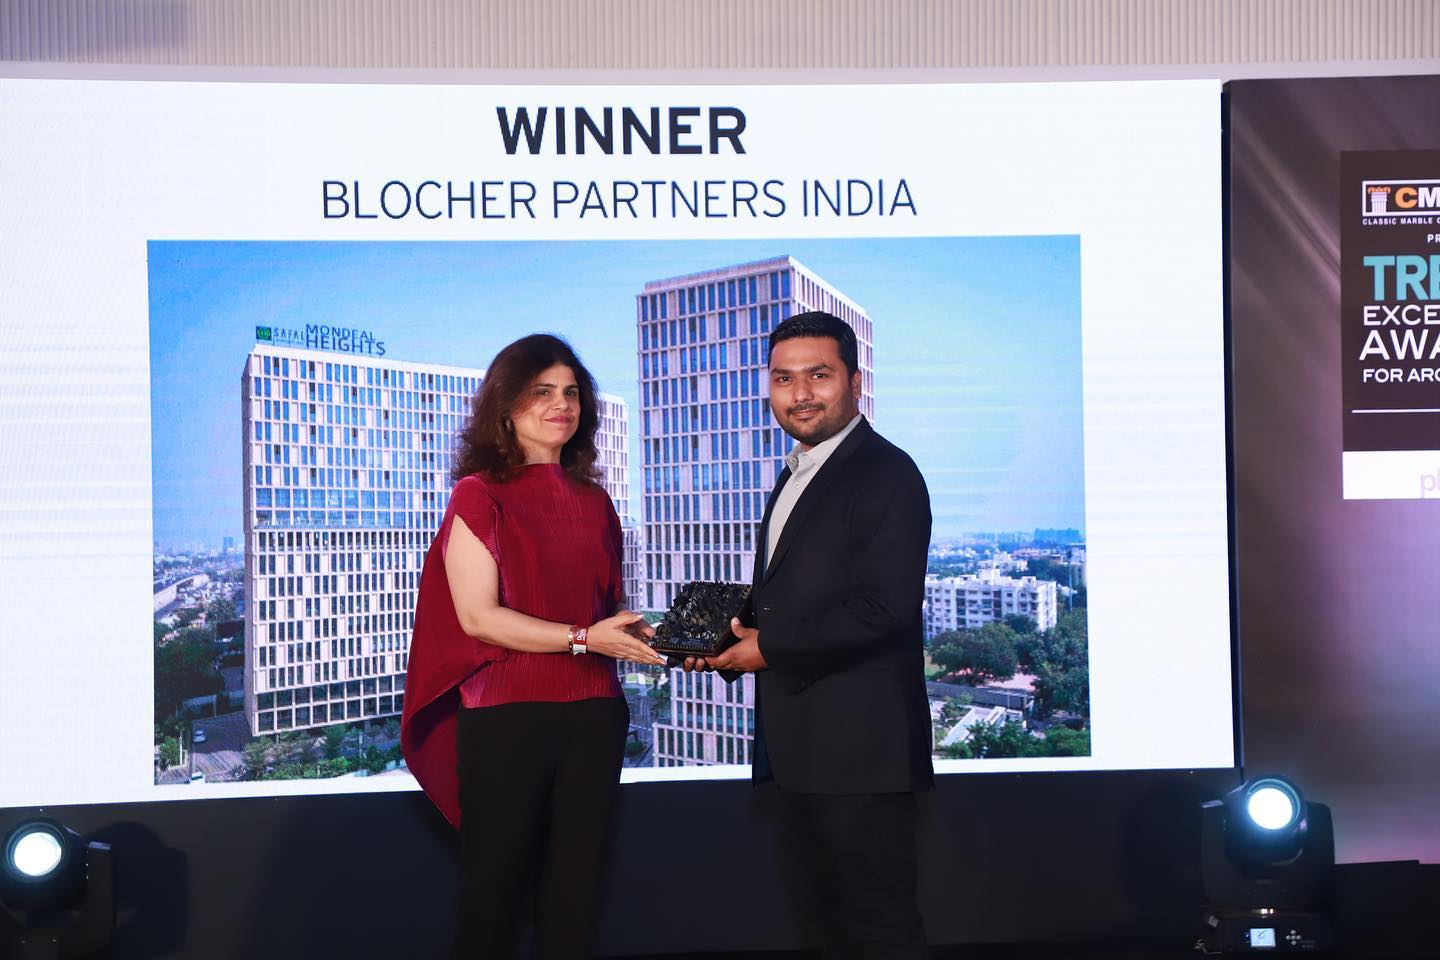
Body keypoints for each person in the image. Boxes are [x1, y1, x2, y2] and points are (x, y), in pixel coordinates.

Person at [400, 333, 666, 960]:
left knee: (575, 900)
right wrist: (584, 638)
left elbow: (601, 610)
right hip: (507, 719)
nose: (561, 404)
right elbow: (478, 617)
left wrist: (633, 633)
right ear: (506, 404)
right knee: (491, 901)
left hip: (595, 715)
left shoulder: (597, 502)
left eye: (571, 393)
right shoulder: (478, 493)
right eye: (542, 391)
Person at [688, 311, 934, 958]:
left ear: (855, 380)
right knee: (824, 929)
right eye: (783, 378)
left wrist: (766, 648)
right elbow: (796, 594)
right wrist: (720, 638)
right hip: (803, 751)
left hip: (862, 755)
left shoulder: (886, 472)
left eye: (818, 375)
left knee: (878, 931)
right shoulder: (800, 470)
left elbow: (884, 608)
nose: (799, 394)